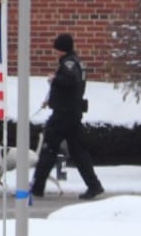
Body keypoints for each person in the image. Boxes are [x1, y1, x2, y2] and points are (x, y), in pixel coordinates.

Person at [31, 33, 103, 201]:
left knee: (49, 148)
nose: (55, 52)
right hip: (72, 114)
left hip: (63, 115)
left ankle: (37, 187)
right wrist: (51, 98)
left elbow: (70, 81)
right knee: (78, 152)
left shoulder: (69, 63)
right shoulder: (76, 62)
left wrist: (54, 79)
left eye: (57, 48)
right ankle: (94, 185)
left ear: (62, 49)